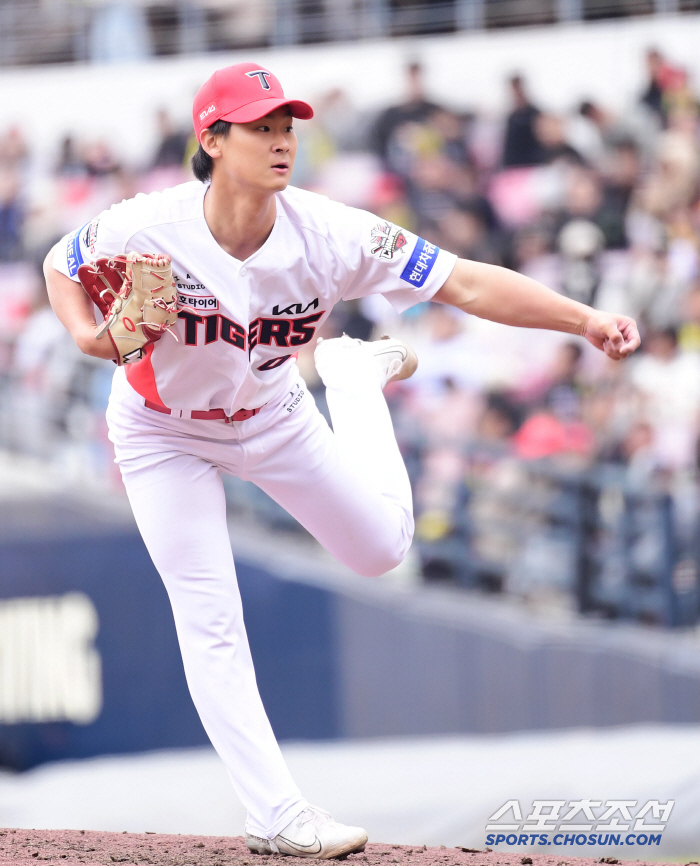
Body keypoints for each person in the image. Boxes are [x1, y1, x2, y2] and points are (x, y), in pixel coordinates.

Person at [43, 62, 640, 859]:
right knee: (209, 616)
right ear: (211, 140)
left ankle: (354, 377)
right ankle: (277, 815)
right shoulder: (148, 226)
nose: (282, 141)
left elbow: (464, 283)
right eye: (261, 127)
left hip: (274, 411)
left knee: (381, 551)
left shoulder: (333, 235)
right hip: (162, 430)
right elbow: (61, 261)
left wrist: (583, 318)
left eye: (287, 126)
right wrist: (90, 338)